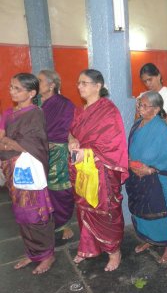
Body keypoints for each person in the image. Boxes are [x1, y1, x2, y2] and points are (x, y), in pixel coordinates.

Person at [68, 69, 128, 271]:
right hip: (82, 169)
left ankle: (114, 251)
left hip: (102, 171)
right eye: (78, 83)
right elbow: (71, 133)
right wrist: (72, 141)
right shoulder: (80, 110)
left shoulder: (109, 111)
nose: (79, 86)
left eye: (84, 83)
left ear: (98, 86)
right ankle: (88, 247)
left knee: (105, 210)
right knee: (84, 208)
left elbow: (113, 145)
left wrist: (88, 152)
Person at [0, 73, 55, 274]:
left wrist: (12, 143)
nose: (12, 91)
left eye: (17, 88)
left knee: (35, 213)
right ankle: (33, 253)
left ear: (32, 93)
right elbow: (2, 140)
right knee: (22, 214)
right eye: (11, 87)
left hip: (29, 172)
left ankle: (47, 255)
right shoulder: (10, 113)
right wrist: (8, 144)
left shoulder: (35, 113)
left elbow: (37, 144)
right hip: (13, 172)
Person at [126, 91, 167, 263]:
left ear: (156, 110)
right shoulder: (137, 124)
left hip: (158, 179)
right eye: (140, 104)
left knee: (161, 214)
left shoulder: (161, 128)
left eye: (144, 105)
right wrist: (131, 164)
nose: (140, 108)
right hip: (137, 177)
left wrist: (150, 169)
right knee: (142, 212)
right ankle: (148, 240)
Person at [37, 69, 75, 240]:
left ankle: (63, 224)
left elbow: (72, 128)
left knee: (60, 189)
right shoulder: (34, 102)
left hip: (58, 152)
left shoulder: (65, 104)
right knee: (40, 188)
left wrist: (67, 141)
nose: (36, 84)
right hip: (37, 151)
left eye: (40, 81)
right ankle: (45, 219)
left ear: (51, 85)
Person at [140, 63, 167, 133]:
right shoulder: (143, 96)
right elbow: (136, 123)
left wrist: (159, 113)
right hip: (147, 138)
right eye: (145, 81)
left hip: (165, 140)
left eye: (150, 79)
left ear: (158, 76)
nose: (147, 84)